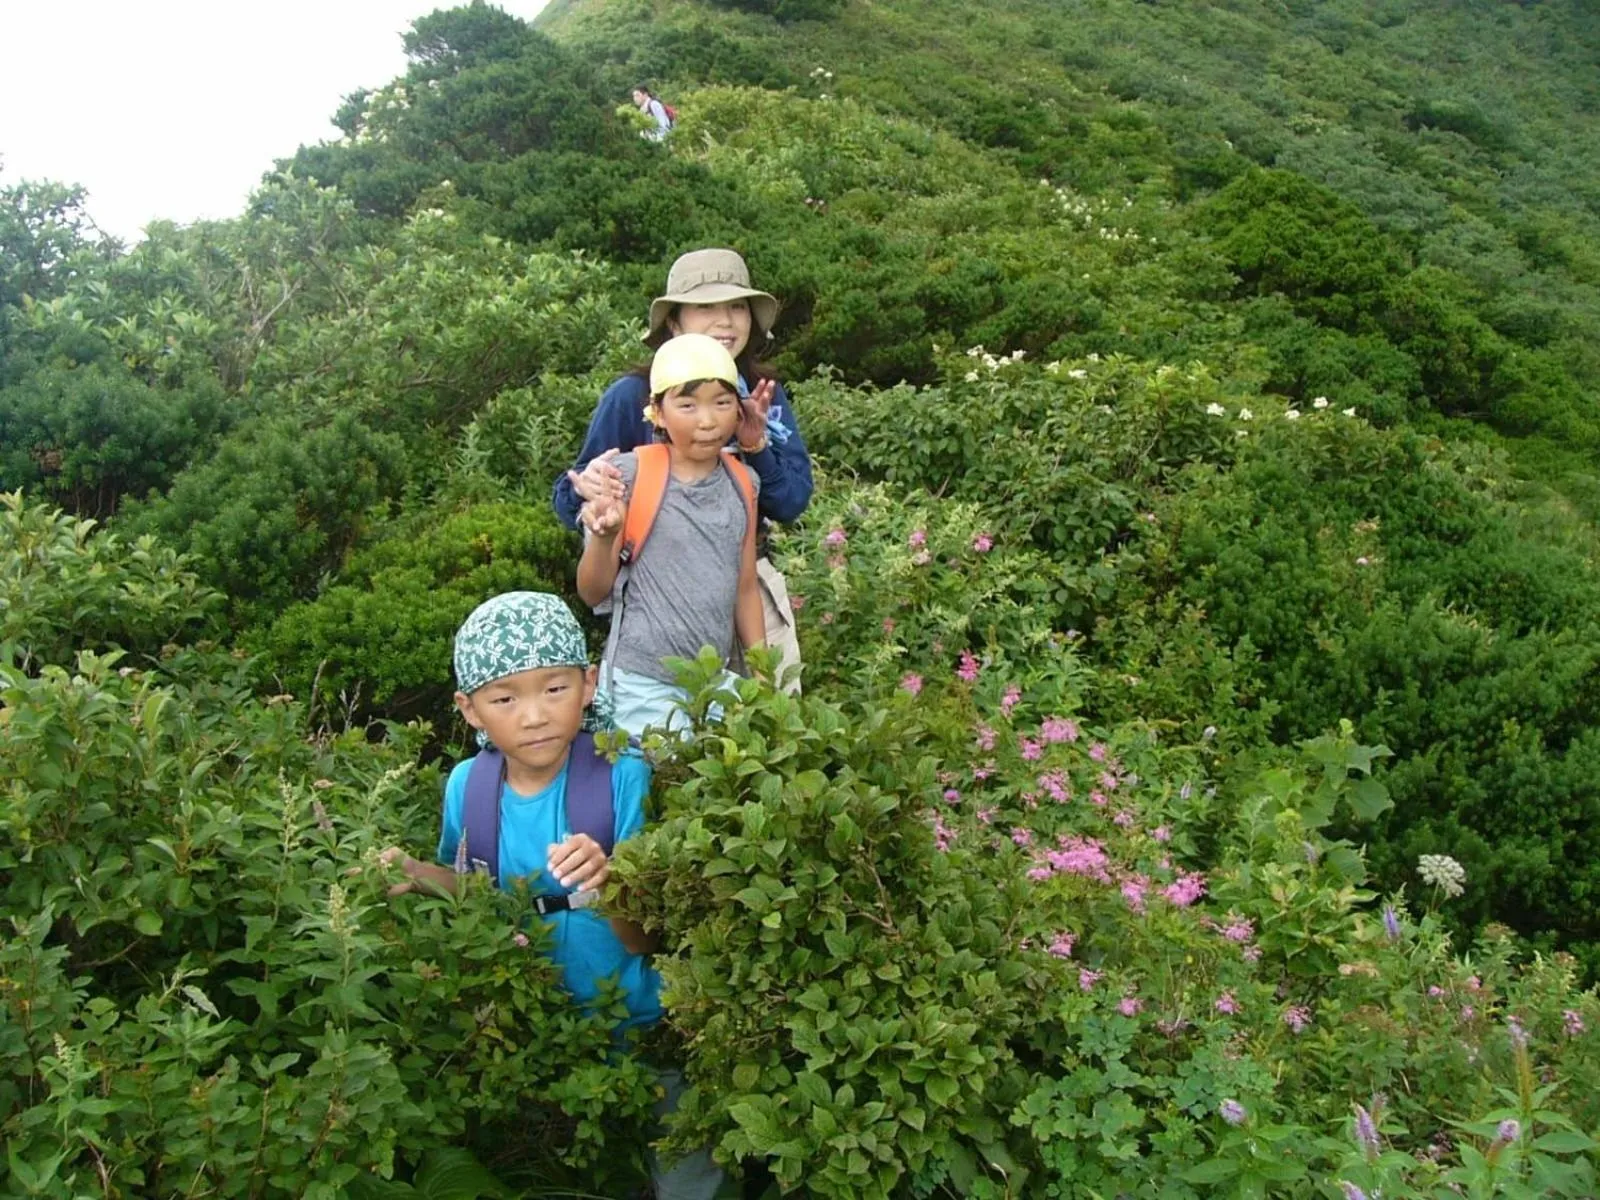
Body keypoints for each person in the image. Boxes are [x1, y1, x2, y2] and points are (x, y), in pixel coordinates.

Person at [378, 590, 723, 1200]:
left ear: (589, 685)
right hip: (543, 1029)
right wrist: (418, 873)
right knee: (582, 1169)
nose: (534, 714)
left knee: (683, 1169)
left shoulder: (623, 775)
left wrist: (610, 880)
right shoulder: (468, 786)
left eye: (554, 688)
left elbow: (650, 936)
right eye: (505, 698)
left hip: (644, 1019)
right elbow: (483, 893)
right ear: (470, 709)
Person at [554, 248, 811, 692]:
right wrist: (586, 490)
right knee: (665, 736)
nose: (726, 321)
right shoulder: (632, 395)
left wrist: (756, 444)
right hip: (660, 600)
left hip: (750, 583)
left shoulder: (764, 394)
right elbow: (569, 496)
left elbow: (789, 501)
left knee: (769, 729)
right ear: (674, 322)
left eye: (736, 307)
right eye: (706, 308)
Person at [575, 334, 764, 738]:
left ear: (738, 410)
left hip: (718, 682)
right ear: (657, 413)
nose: (708, 420)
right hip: (641, 683)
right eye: (687, 404)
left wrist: (763, 677)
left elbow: (745, 588)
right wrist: (603, 537)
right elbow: (592, 592)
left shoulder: (744, 483)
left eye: (722, 402)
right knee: (651, 793)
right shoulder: (627, 475)